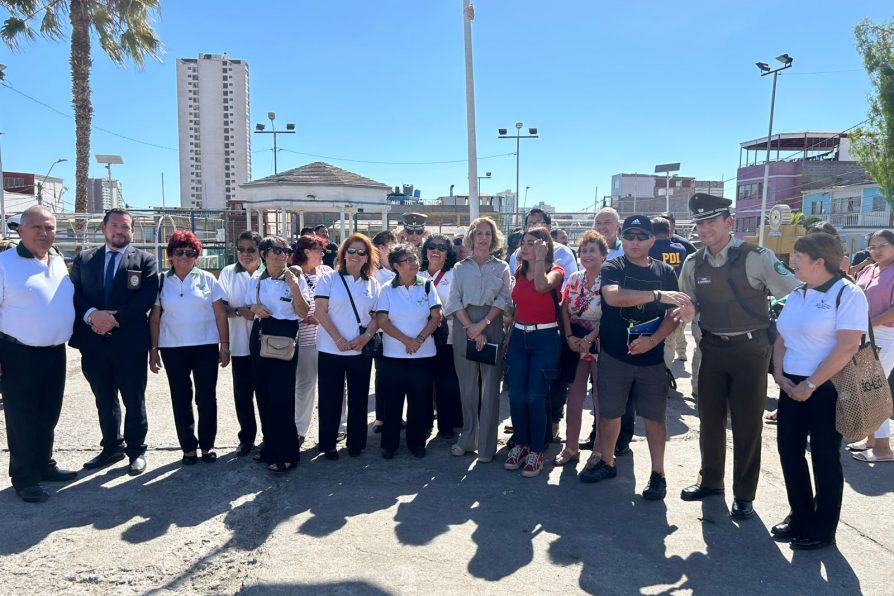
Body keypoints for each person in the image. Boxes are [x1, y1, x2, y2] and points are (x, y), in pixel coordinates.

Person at [677, 193, 800, 520]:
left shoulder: (756, 257)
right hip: (712, 350)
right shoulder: (693, 263)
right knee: (709, 421)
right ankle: (711, 481)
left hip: (751, 350)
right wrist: (689, 311)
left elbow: (795, 292)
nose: (704, 229)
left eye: (711, 222)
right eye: (700, 223)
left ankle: (744, 494)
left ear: (728, 222)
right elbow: (691, 305)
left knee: (747, 424)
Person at [580, 215, 689, 503]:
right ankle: (607, 461)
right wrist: (656, 295)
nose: (636, 241)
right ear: (623, 238)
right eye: (630, 236)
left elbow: (674, 315)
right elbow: (613, 297)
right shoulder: (613, 266)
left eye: (642, 236)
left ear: (652, 240)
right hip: (616, 356)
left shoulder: (665, 271)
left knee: (654, 418)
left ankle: (658, 474)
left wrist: (653, 340)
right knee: (610, 414)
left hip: (652, 359)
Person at [772, 232, 868, 550]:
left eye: (798, 257)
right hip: (791, 384)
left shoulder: (848, 293)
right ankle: (800, 515)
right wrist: (779, 373)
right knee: (789, 451)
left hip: (828, 386)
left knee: (825, 457)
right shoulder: (799, 293)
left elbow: (847, 346)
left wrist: (811, 384)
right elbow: (781, 339)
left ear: (819, 261)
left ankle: (823, 528)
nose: (792, 262)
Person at [71, 208, 158, 476]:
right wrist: (91, 316)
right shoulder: (84, 259)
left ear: (132, 231)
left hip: (129, 343)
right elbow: (73, 293)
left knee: (134, 398)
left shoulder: (145, 261)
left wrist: (111, 319)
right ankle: (111, 447)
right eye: (115, 226)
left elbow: (146, 297)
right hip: (93, 343)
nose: (120, 231)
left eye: (125, 227)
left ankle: (136, 451)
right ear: (104, 228)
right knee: (104, 398)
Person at [0, 206, 76, 503]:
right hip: (17, 353)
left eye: (50, 228)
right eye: (37, 228)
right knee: (22, 418)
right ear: (20, 230)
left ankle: (44, 465)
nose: (44, 234)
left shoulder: (57, 260)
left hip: (54, 352)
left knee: (48, 413)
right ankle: (24, 477)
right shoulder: (5, 263)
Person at [149, 231, 230, 465]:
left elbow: (220, 314)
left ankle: (207, 445)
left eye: (190, 253)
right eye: (179, 252)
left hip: (205, 346)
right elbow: (154, 319)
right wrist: (153, 350)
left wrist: (224, 346)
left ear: (197, 256)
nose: (184, 257)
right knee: (181, 397)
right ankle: (188, 447)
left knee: (206, 397)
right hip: (172, 348)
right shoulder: (161, 281)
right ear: (170, 256)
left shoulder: (207, 279)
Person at [445, 217, 511, 463]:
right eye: (479, 233)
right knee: (468, 387)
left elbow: (504, 299)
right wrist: (470, 327)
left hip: (491, 325)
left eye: (488, 234)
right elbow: (454, 301)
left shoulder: (502, 267)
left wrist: (482, 326)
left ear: (494, 239)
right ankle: (467, 438)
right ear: (472, 238)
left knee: (490, 388)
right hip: (465, 327)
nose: (483, 238)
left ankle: (486, 445)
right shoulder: (460, 268)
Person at [314, 234, 381, 459]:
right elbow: (320, 312)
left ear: (367, 258)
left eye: (361, 252)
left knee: (359, 397)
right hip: (331, 348)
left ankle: (356, 442)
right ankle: (328, 444)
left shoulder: (372, 284)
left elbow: (377, 317)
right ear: (343, 254)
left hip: (360, 349)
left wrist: (365, 338)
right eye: (351, 251)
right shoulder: (329, 279)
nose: (355, 256)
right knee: (330, 398)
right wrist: (339, 340)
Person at [247, 236, 311, 474]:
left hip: (285, 336)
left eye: (286, 250)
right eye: (276, 250)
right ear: (264, 253)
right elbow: (245, 307)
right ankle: (270, 447)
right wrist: (254, 308)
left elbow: (304, 313)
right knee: (263, 395)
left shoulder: (296, 277)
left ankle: (288, 453)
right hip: (261, 334)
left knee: (282, 397)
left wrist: (294, 285)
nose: (282, 254)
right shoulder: (256, 278)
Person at [504, 226, 563, 477]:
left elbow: (541, 287)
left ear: (544, 245)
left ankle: (537, 450)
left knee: (535, 397)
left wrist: (540, 259)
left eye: (532, 243)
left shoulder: (556, 271)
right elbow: (519, 305)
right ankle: (520, 444)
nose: (525, 247)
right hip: (519, 336)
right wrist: (509, 336)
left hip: (545, 337)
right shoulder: (518, 272)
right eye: (523, 243)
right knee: (516, 395)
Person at [375, 244, 442, 458]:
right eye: (408, 260)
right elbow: (382, 321)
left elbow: (436, 317)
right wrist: (406, 340)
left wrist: (419, 340)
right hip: (394, 355)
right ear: (396, 266)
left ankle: (416, 442)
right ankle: (389, 444)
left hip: (423, 355)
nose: (414, 263)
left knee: (419, 401)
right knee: (392, 401)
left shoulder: (427, 286)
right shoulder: (386, 289)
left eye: (414, 259)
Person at [557, 230, 607, 469]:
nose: (587, 255)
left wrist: (591, 337)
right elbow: (565, 308)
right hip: (575, 343)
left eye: (592, 250)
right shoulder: (575, 278)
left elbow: (611, 314)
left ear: (603, 255)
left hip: (599, 343)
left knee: (600, 399)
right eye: (583, 250)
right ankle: (571, 447)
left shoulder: (609, 279)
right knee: (574, 397)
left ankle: (599, 450)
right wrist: (569, 336)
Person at [848, 229, 894, 462]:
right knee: (866, 387)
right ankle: (871, 439)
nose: (876, 251)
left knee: (874, 388)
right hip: (866, 334)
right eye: (872, 247)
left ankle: (883, 448)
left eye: (882, 246)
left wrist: (869, 323)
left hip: (886, 334)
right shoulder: (868, 269)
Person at [217, 231, 263, 457]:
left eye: (251, 249)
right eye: (241, 249)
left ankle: (270, 436)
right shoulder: (228, 273)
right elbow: (221, 308)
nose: (245, 254)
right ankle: (247, 437)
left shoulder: (270, 272)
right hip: (239, 346)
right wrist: (239, 311)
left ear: (260, 251)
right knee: (243, 395)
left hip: (267, 347)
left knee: (267, 394)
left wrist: (256, 314)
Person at [291, 234, 333, 447]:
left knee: (335, 387)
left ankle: (338, 428)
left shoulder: (328, 272)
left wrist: (320, 319)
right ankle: (299, 430)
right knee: (305, 386)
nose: (323, 254)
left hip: (329, 340)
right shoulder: (294, 274)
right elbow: (294, 307)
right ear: (307, 252)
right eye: (319, 249)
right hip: (306, 341)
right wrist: (311, 318)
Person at [420, 234, 463, 439]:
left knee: (447, 382)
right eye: (431, 246)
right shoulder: (416, 274)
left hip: (448, 337)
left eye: (441, 247)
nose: (435, 250)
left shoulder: (455, 275)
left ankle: (447, 425)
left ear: (448, 253)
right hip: (421, 337)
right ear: (425, 250)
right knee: (423, 382)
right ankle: (424, 422)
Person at [649, 217, 689, 366]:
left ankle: (661, 374)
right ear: (669, 231)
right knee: (671, 337)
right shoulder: (680, 249)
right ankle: (669, 368)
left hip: (655, 300)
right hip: (676, 300)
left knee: (658, 339)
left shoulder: (649, 249)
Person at [509, 208, 578, 287]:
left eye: (538, 223)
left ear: (549, 227)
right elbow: (512, 282)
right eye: (530, 224)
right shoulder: (517, 254)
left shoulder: (563, 252)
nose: (534, 227)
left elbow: (571, 282)